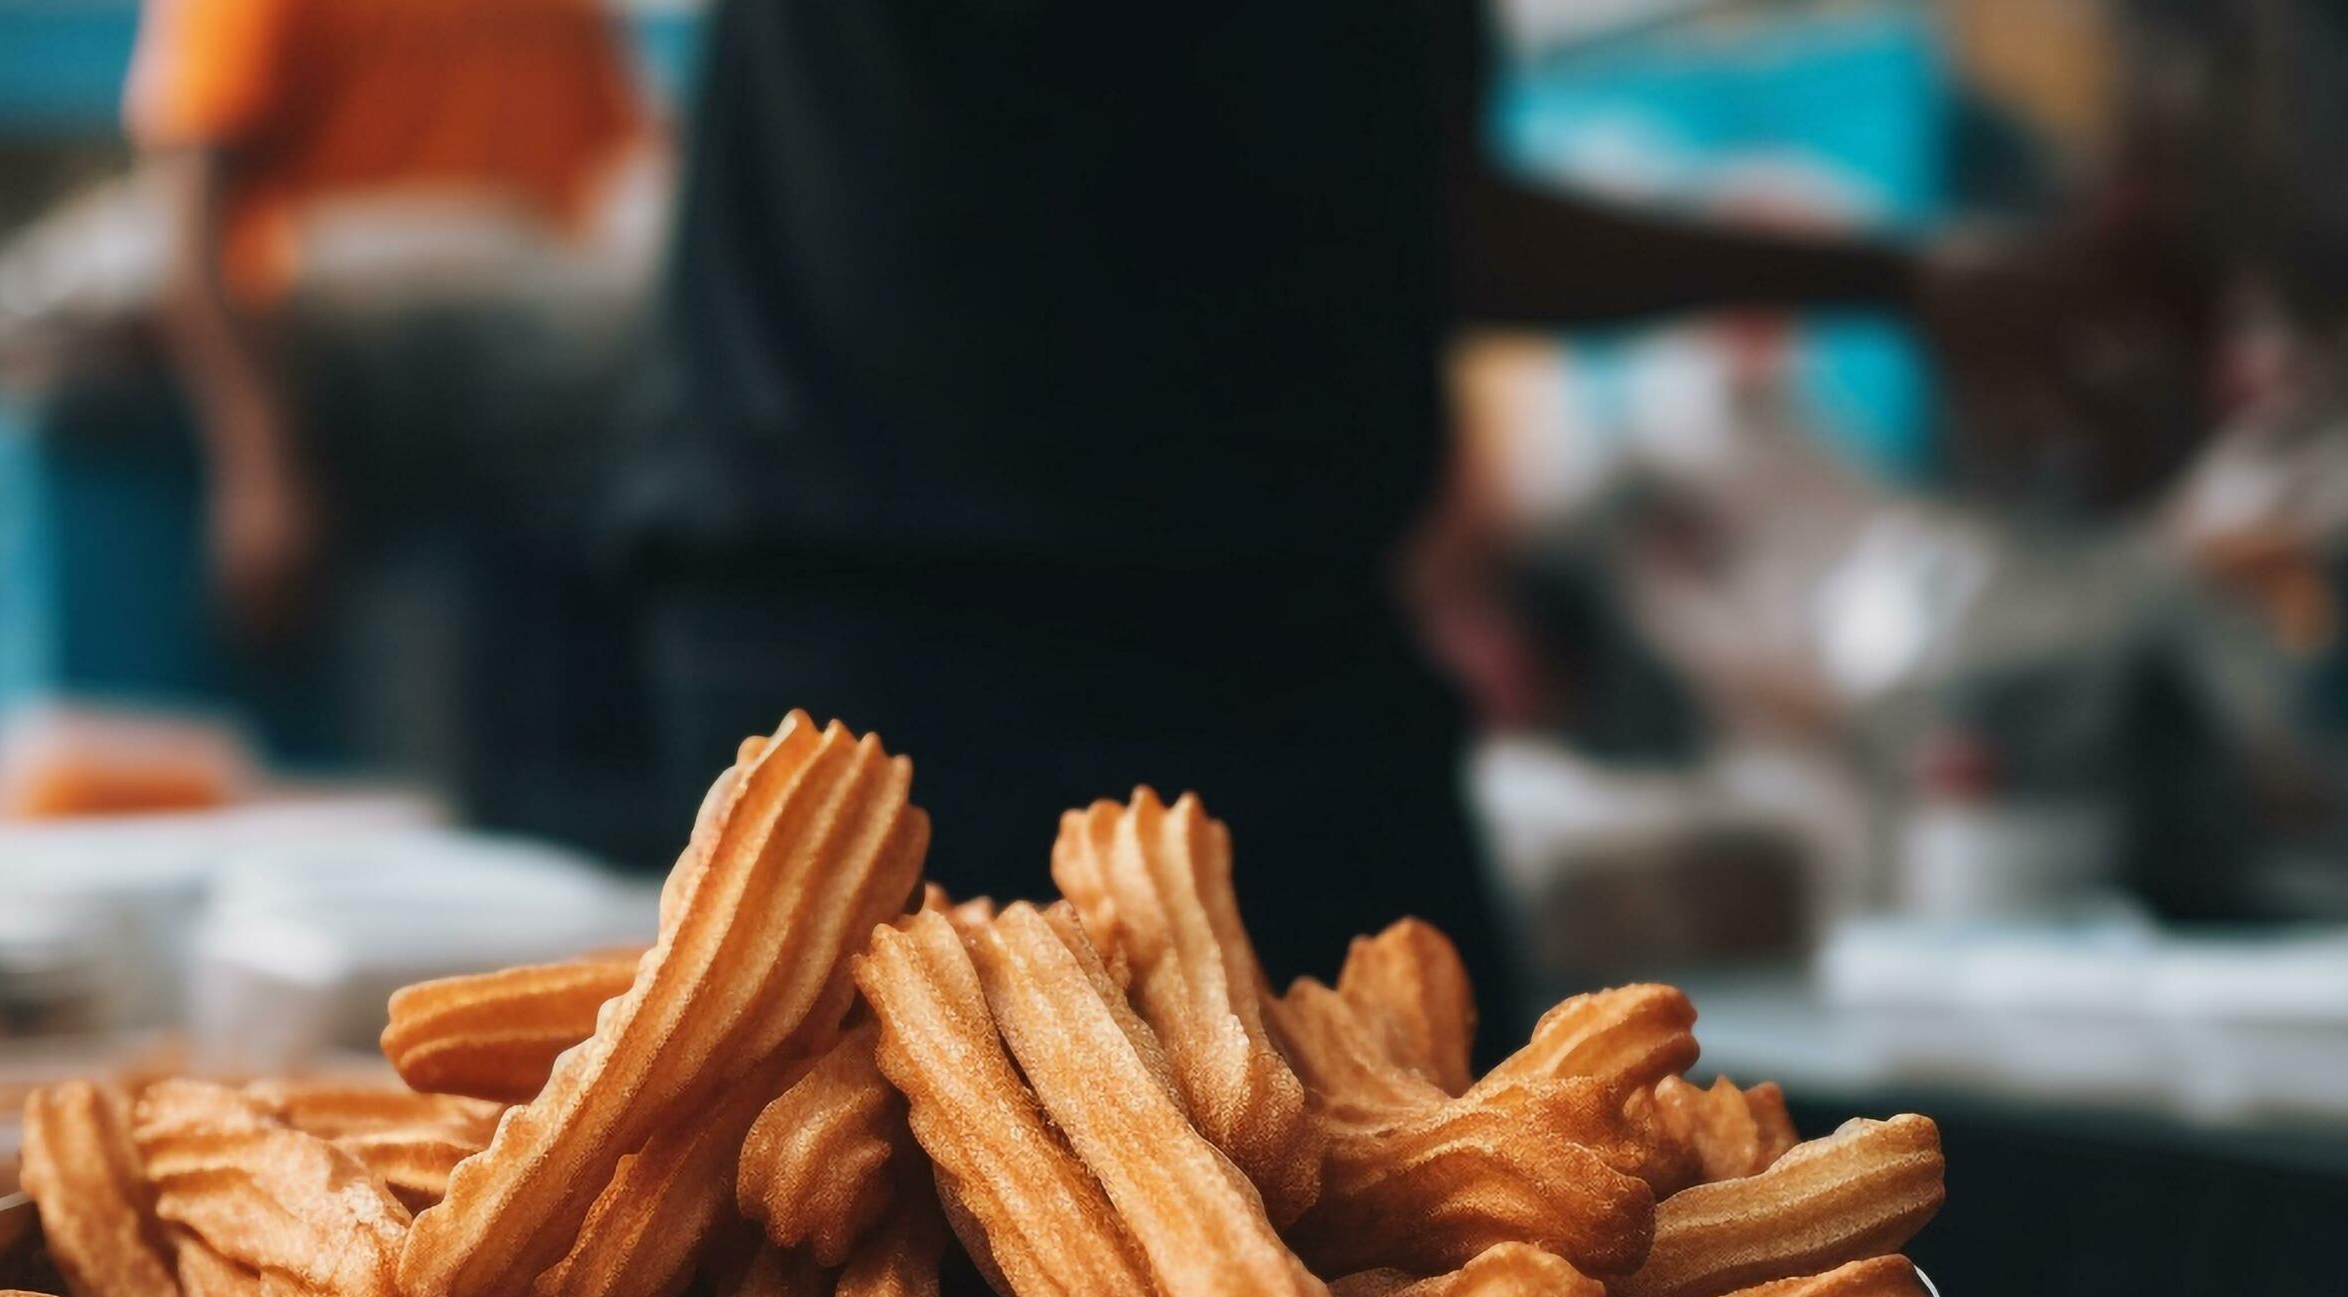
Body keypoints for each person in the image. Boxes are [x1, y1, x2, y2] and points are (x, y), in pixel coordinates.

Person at [618, 0, 2183, 1003]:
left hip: (1264, 654)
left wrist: (1897, 281)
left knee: (1462, 1286)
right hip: (903, 658)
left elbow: (1405, 212)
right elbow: (1423, 219)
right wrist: (1894, 281)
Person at [127, 0, 659, 849]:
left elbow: (612, 180)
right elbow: (187, 228)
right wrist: (259, 470)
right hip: (368, 409)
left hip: (543, 440)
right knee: (414, 746)